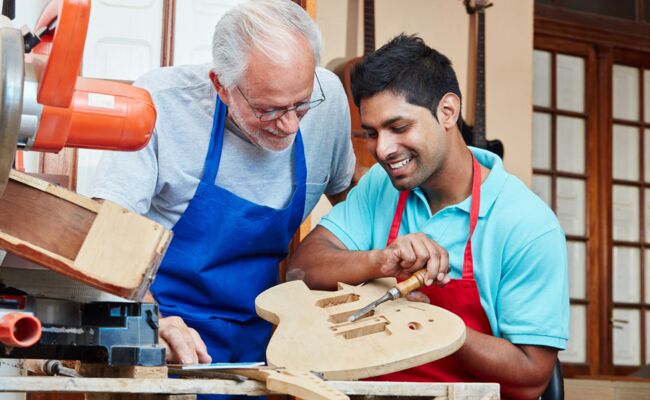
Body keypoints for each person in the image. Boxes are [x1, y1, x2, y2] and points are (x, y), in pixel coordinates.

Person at [287, 34, 569, 400]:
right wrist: (380, 260)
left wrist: (429, 323)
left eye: (399, 127)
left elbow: (530, 378)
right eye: (372, 133)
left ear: (447, 111)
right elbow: (302, 269)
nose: (383, 150)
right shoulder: (380, 185)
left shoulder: (527, 224)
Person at [89, 0, 355, 370]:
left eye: (301, 104)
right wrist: (152, 324)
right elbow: (105, 233)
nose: (291, 126)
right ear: (222, 86)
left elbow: (354, 207)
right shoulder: (161, 103)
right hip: (164, 329)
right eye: (269, 110)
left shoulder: (329, 98)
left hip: (268, 339)